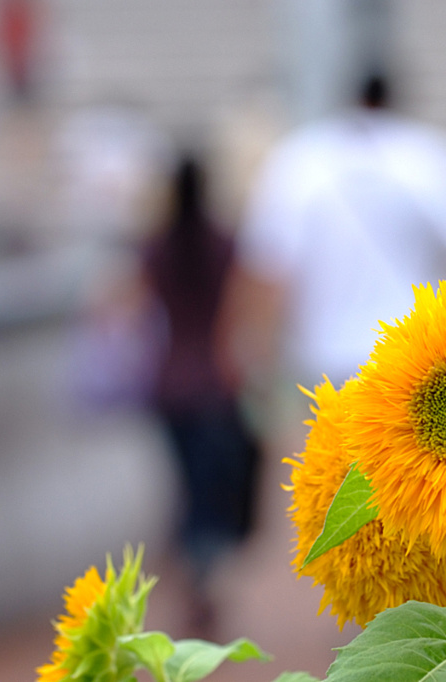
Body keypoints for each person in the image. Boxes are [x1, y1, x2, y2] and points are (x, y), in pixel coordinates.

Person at [237, 72, 446, 390]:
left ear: (346, 101)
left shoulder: (302, 157)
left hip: (326, 360)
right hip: (411, 354)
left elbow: (267, 268)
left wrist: (258, 354)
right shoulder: (429, 155)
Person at [141, 154, 260, 633]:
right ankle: (206, 578)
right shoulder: (224, 243)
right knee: (215, 488)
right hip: (214, 384)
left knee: (184, 487)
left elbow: (127, 305)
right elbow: (243, 308)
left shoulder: (155, 247)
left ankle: (189, 581)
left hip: (168, 384)